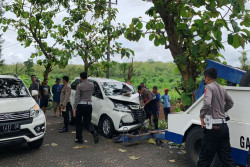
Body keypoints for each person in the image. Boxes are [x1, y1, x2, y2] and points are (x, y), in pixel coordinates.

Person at [197, 68, 235, 167]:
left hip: (213, 128)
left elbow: (207, 103)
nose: (204, 79)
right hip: (224, 127)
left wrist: (202, 115)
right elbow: (231, 103)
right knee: (226, 158)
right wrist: (222, 110)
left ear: (206, 77)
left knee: (204, 159)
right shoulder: (222, 88)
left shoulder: (208, 87)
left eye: (204, 77)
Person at [73, 72, 99, 144]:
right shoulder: (92, 84)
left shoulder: (79, 85)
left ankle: (79, 139)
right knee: (87, 121)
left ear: (81, 78)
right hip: (89, 105)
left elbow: (77, 97)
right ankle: (93, 131)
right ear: (87, 77)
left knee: (78, 122)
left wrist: (74, 108)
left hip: (81, 105)